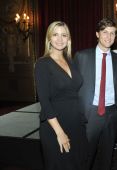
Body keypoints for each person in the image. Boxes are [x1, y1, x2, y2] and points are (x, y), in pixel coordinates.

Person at [34, 21, 87, 170]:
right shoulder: (42, 64)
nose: (59, 39)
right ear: (49, 38)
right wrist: (60, 133)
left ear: (68, 39)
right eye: (55, 34)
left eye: (64, 35)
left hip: (76, 123)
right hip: (55, 126)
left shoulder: (70, 61)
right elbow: (45, 101)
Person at [74, 18, 117, 170]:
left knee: (107, 157)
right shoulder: (82, 56)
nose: (109, 37)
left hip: (111, 114)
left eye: (112, 33)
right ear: (97, 34)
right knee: (85, 157)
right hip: (90, 114)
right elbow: (73, 88)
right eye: (105, 32)